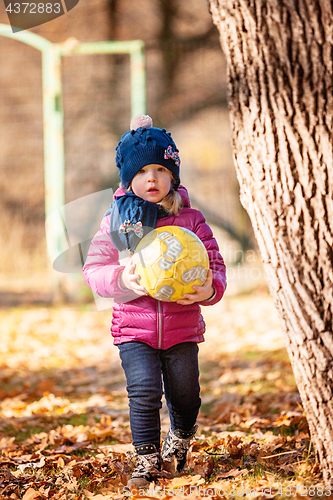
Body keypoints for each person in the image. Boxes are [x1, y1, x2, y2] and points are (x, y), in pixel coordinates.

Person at [83, 115, 227, 488]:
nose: (152, 178)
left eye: (161, 169)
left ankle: (179, 438)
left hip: (182, 328)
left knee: (186, 394)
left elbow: (215, 264)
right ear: (127, 179)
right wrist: (122, 278)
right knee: (144, 391)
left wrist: (211, 290)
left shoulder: (191, 220)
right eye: (143, 171)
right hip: (134, 326)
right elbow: (94, 271)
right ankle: (146, 459)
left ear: (173, 176)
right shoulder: (116, 223)